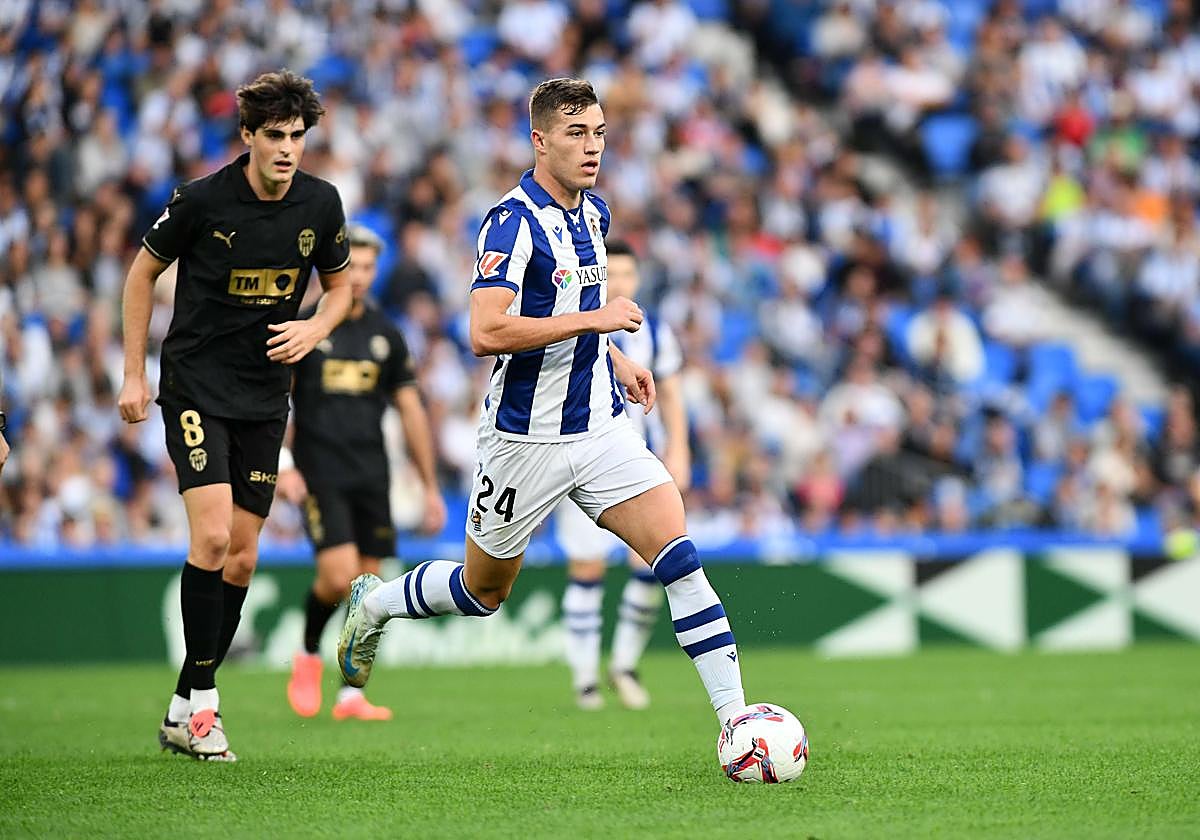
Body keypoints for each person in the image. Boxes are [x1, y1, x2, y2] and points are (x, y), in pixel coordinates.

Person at [336, 78, 747, 732]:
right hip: (522, 441)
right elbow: (485, 332)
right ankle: (378, 604)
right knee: (482, 592)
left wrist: (615, 359)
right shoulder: (511, 222)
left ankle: (737, 724)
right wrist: (595, 323)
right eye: (577, 134)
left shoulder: (595, 215)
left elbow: (567, 313)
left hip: (601, 429)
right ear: (540, 140)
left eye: (601, 134)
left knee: (678, 557)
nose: (593, 148)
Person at [118, 70, 352, 761]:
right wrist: (134, 372)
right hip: (195, 385)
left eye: (297, 137)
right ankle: (205, 711)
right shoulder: (202, 200)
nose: (286, 149)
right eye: (274, 136)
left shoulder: (321, 204)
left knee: (244, 558)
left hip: (263, 395)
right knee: (214, 538)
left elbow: (338, 291)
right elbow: (140, 275)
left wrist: (312, 329)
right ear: (247, 136)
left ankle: (182, 701)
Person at [279, 224, 446, 721]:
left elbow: (411, 409)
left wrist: (430, 485)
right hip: (319, 470)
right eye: (352, 265)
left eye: (370, 267)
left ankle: (351, 694)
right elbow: (277, 400)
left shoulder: (385, 334)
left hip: (372, 472)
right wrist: (284, 465)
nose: (360, 276)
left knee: (369, 590)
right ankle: (308, 654)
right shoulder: (305, 325)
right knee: (336, 577)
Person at [552, 239, 690, 710]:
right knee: (587, 568)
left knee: (656, 561)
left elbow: (669, 392)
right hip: (577, 458)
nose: (623, 283)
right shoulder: (575, 320)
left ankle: (624, 664)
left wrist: (680, 447)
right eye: (614, 274)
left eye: (631, 274)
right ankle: (585, 679)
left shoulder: (655, 331)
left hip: (631, 458)